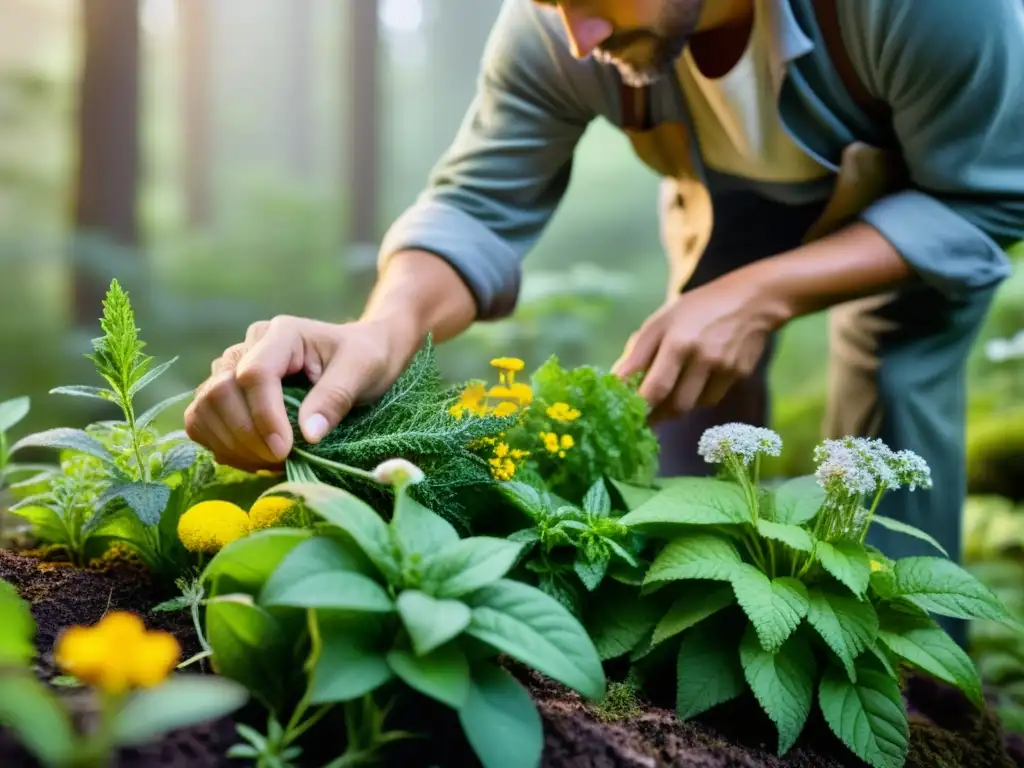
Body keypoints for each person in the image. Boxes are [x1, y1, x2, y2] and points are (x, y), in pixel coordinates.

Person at [185, 0, 1024, 645]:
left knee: (893, 399)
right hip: (729, 201)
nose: (579, 36)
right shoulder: (561, 27)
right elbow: (476, 208)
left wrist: (764, 295)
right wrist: (380, 331)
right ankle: (699, 663)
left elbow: (988, 195)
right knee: (690, 401)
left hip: (927, 189)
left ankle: (921, 694)